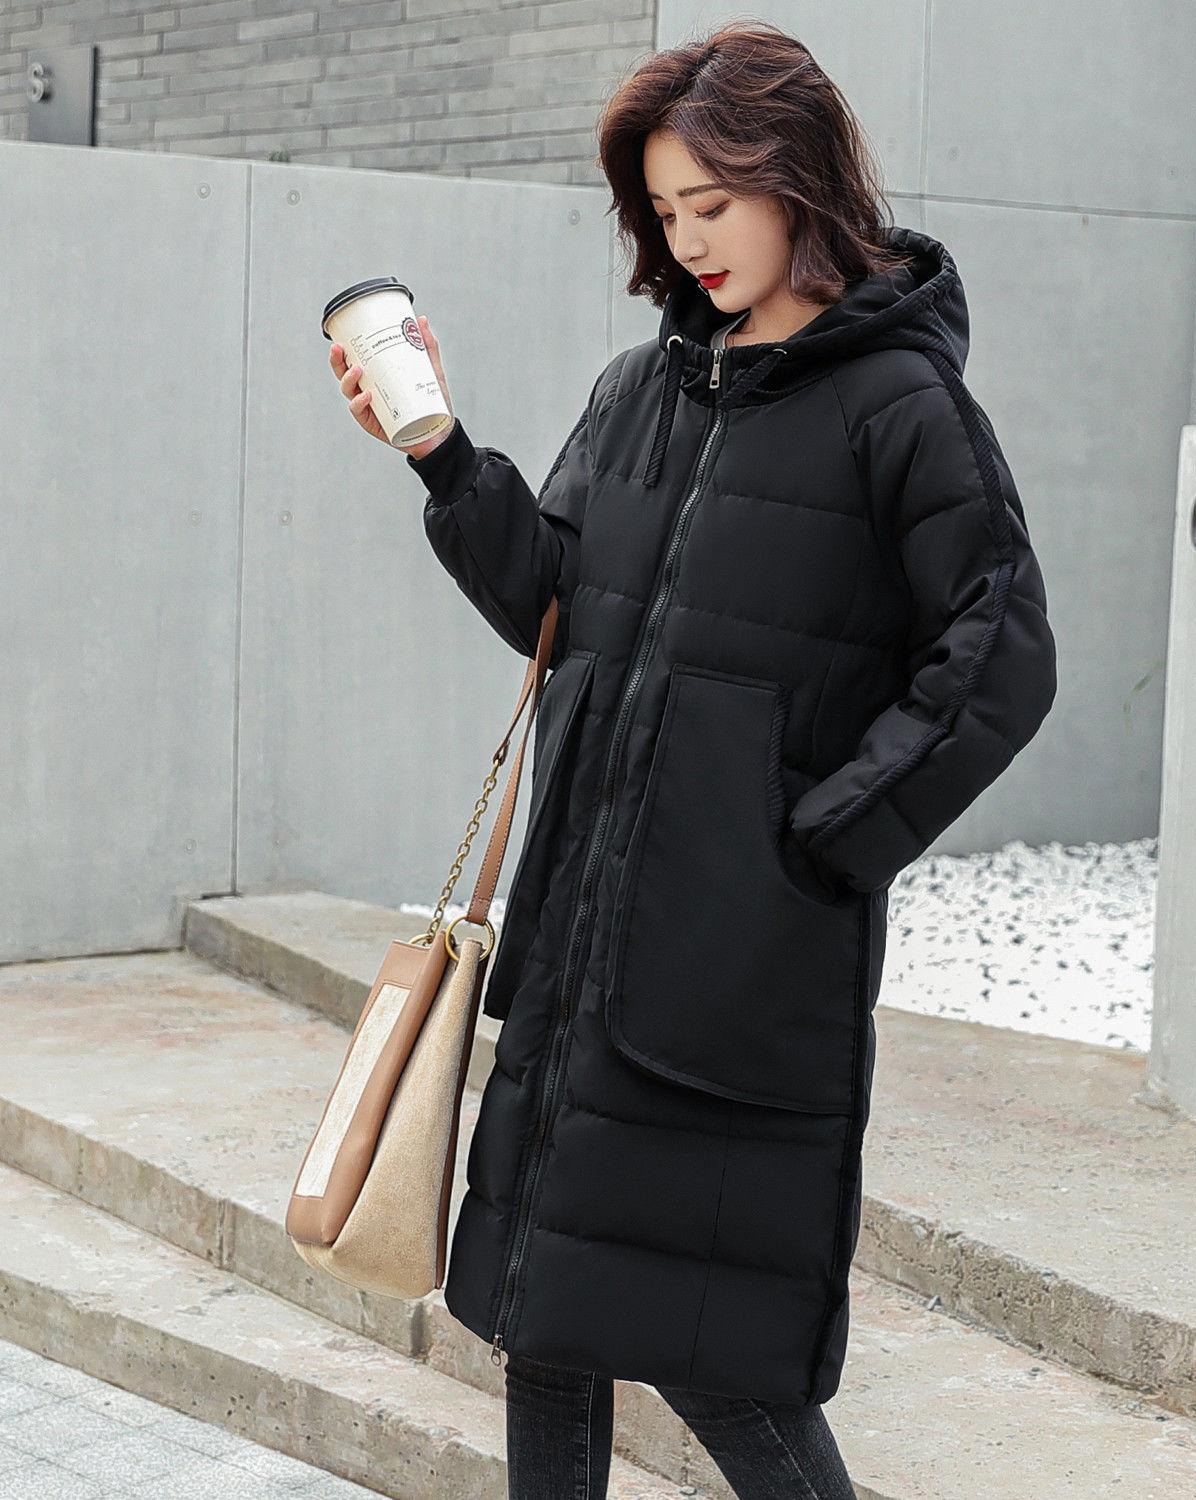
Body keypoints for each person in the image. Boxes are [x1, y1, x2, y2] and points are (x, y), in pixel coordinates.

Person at [329, 20, 1058, 1499]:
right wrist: (442, 456)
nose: (688, 243)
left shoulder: (902, 407)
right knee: (544, 1324)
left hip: (735, 971)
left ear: (801, 183)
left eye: (713, 206)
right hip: (578, 945)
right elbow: (554, 606)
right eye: (664, 213)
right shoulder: (643, 389)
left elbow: (999, 662)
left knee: (723, 1366)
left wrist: (813, 848)